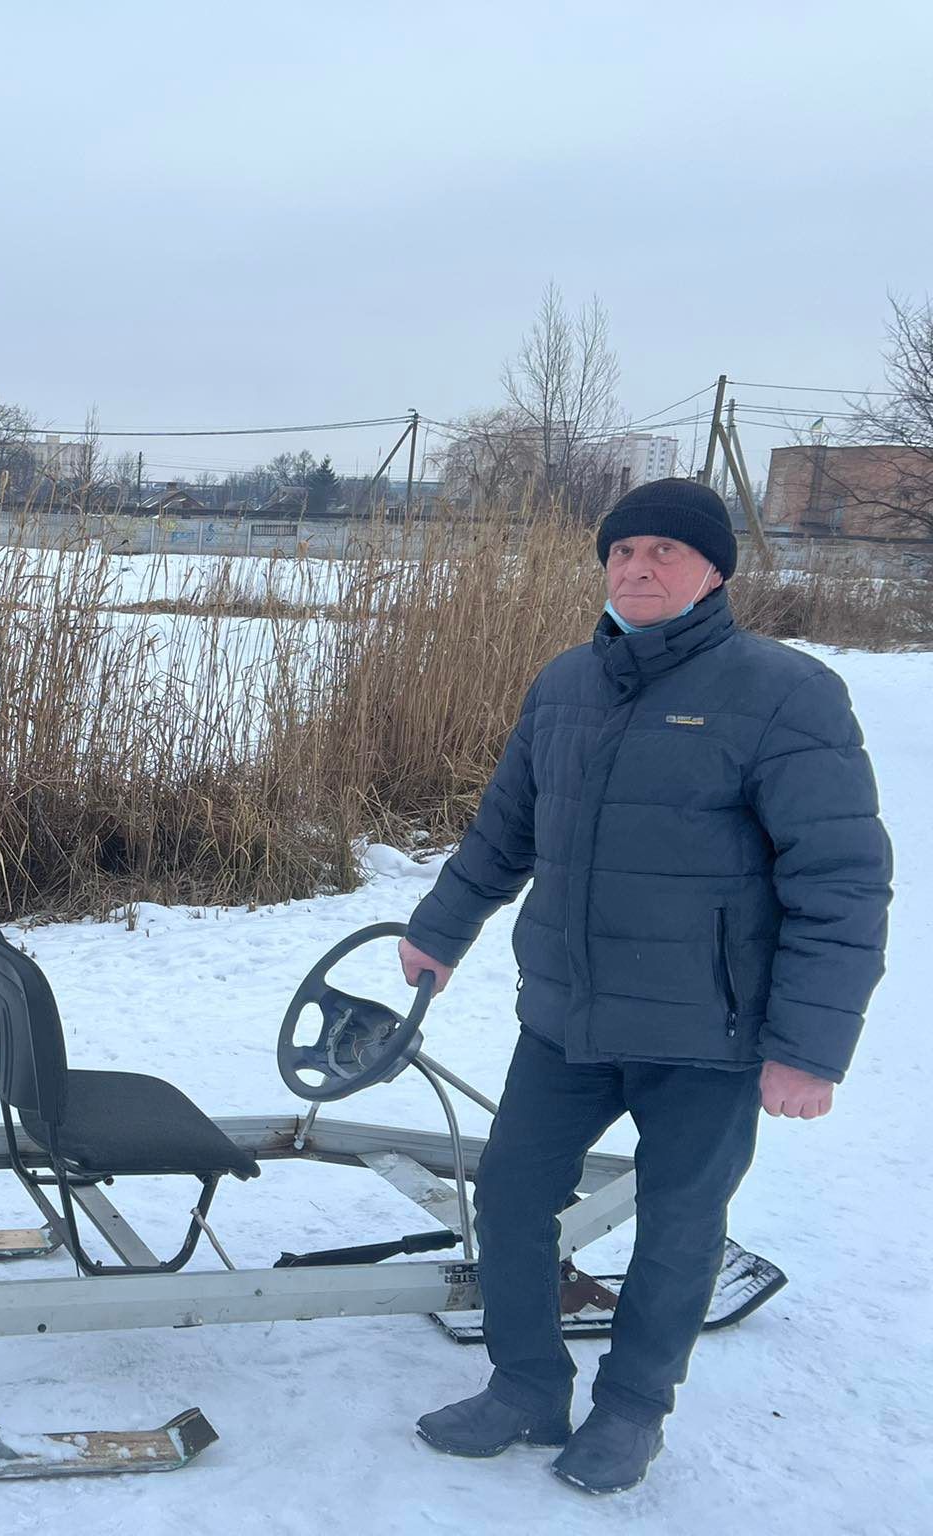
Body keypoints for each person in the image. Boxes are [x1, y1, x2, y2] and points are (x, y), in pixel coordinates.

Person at [401, 478, 891, 1493]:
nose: (637, 567)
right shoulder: (563, 686)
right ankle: (524, 1387)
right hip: (566, 1016)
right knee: (510, 1197)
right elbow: (504, 830)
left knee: (677, 1222)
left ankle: (630, 1409)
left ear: (713, 572)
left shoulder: (785, 693)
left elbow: (838, 880)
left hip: (706, 1030)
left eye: (666, 550)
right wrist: (440, 929)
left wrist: (806, 1050)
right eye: (622, 551)